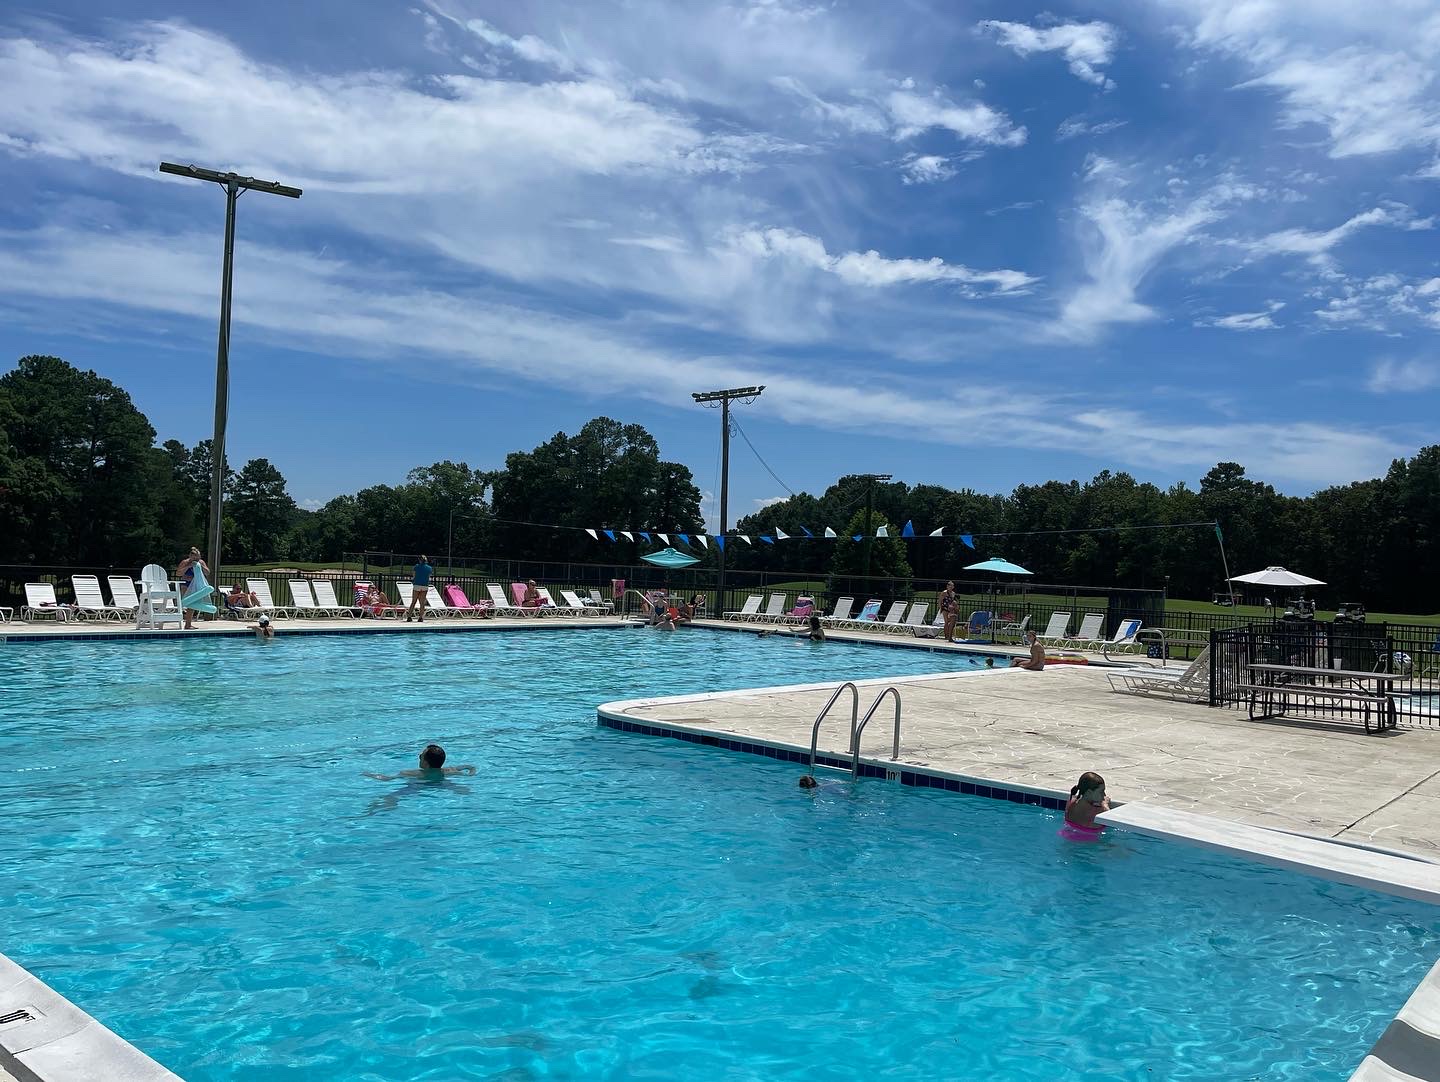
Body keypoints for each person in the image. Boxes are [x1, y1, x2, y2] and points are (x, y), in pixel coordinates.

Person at [364, 744, 477, 782]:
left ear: (426, 764)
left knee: (394, 796)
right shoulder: (451, 770)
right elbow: (469, 767)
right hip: (442, 784)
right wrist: (471, 775)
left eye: (420, 757)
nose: (419, 758)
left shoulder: (411, 773)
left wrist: (368, 774)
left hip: (419, 786)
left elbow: (387, 779)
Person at [1061, 771, 1110, 840]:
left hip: (1067, 834)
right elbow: (1110, 819)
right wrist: (1105, 804)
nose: (1104, 795)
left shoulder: (1071, 801)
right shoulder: (1098, 810)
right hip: (1089, 839)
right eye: (1101, 792)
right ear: (1089, 793)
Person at [176, 546, 209, 630]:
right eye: (193, 557)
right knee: (189, 603)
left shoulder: (201, 562)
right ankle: (187, 624)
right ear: (190, 556)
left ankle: (188, 624)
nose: (195, 559)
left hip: (196, 585)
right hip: (186, 584)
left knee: (193, 604)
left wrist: (202, 566)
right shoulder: (185, 562)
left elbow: (208, 572)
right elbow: (178, 573)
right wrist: (188, 566)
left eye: (197, 557)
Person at [406, 556, 433, 622]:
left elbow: (414, 576)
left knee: (414, 601)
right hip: (424, 586)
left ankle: (409, 617)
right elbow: (429, 577)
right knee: (422, 603)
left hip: (417, 585)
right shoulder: (429, 568)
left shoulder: (416, 567)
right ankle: (421, 617)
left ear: (419, 560)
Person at [759, 615, 825, 641]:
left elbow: (823, 640)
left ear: (813, 622)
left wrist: (816, 640)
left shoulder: (820, 630)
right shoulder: (811, 628)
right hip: (812, 645)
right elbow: (802, 631)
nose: (809, 623)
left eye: (810, 622)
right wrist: (793, 630)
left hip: (817, 645)